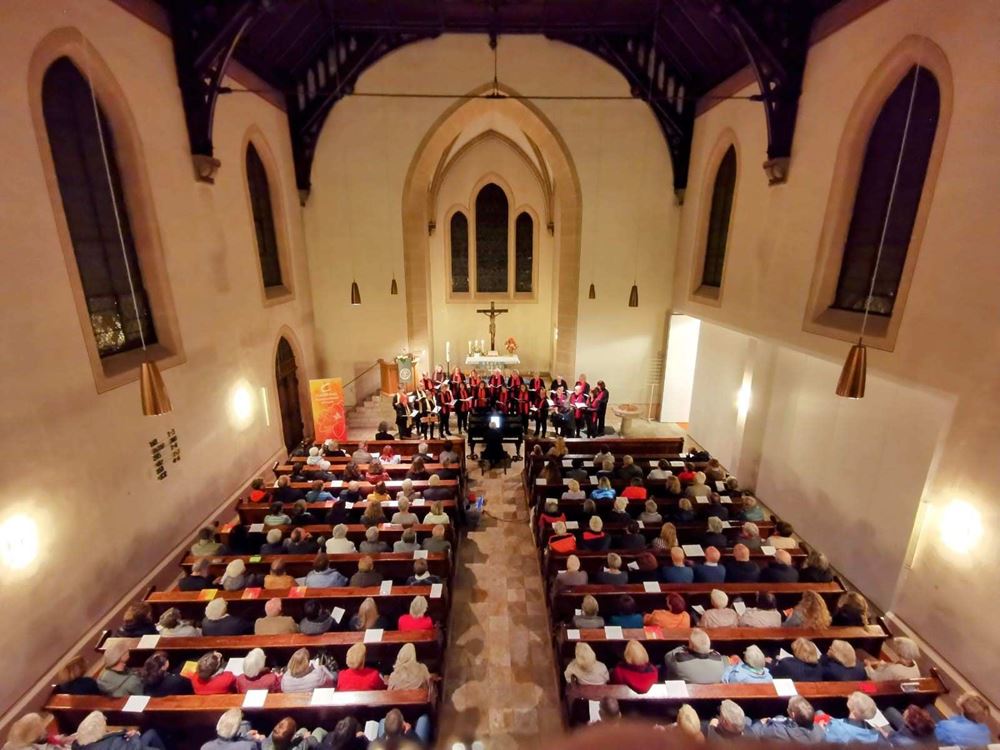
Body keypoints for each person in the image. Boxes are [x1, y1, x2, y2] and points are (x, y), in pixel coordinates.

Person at [73, 712, 167, 750]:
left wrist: (125, 733)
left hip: (127, 743)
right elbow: (135, 747)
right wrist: (135, 735)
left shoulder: (80, 744)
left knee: (151, 733)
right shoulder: (107, 744)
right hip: (134, 746)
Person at [747, 696, 823, 743]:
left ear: (792, 715)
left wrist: (760, 723)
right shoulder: (819, 731)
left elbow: (754, 732)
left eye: (788, 707)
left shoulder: (777, 731)